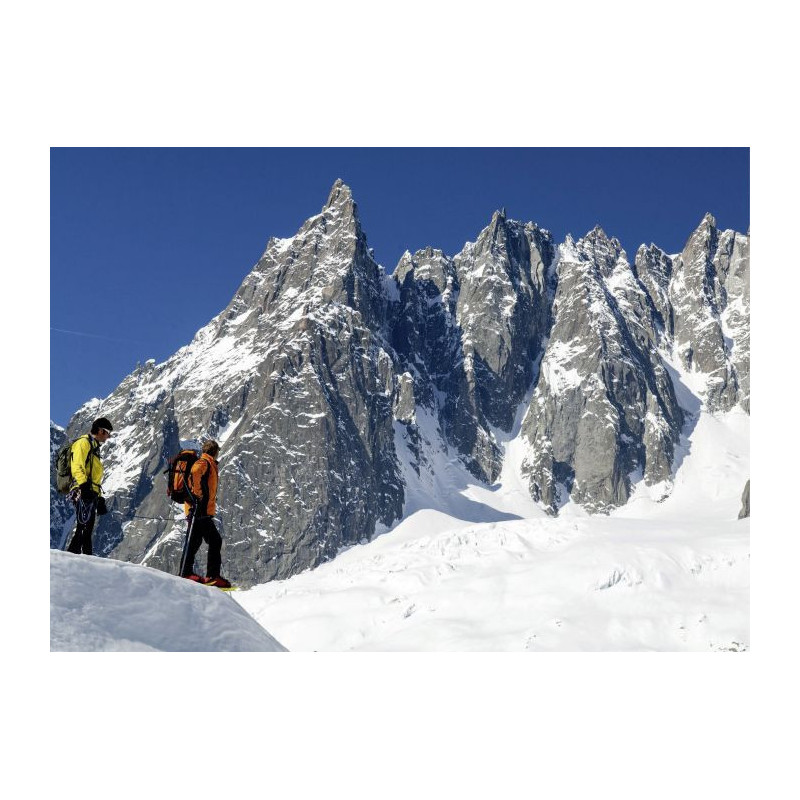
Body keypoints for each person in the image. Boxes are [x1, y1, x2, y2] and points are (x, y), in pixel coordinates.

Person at [181, 439, 231, 587]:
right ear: (214, 452)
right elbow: (195, 472)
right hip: (199, 510)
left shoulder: (207, 462)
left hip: (199, 510)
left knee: (194, 542)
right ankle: (212, 576)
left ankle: (186, 572)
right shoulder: (204, 462)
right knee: (215, 540)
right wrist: (198, 495)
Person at [67, 417, 113, 555]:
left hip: (90, 493)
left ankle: (81, 560)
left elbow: (94, 476)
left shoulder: (94, 448)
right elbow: (77, 466)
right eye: (107, 432)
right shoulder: (83, 443)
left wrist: (99, 498)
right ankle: (75, 559)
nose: (108, 436)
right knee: (84, 526)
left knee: (86, 528)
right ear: (100, 430)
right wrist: (84, 486)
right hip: (82, 490)